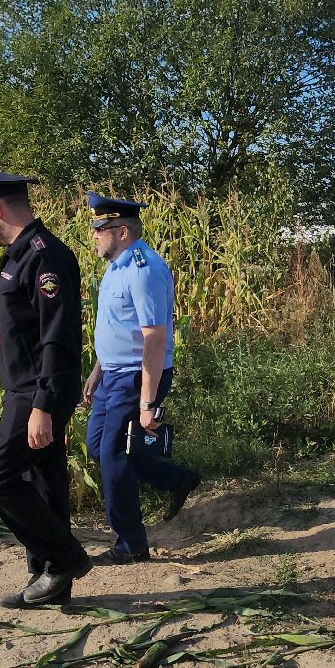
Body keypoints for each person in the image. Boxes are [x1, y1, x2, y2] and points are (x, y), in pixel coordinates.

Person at [0, 165, 92, 608]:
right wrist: (0, 329)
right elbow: (29, 318)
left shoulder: (44, 256)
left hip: (36, 392)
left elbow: (58, 336)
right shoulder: (19, 255)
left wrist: (43, 406)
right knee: (44, 480)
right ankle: (50, 579)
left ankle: (65, 558)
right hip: (26, 386)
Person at [80, 193, 203, 564]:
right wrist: (99, 369)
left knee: (113, 456)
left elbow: (154, 339)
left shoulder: (143, 269)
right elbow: (118, 327)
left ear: (121, 231)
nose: (94, 235)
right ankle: (175, 479)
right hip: (113, 374)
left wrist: (147, 403)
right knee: (97, 447)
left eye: (100, 228)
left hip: (136, 377)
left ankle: (130, 544)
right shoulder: (115, 266)